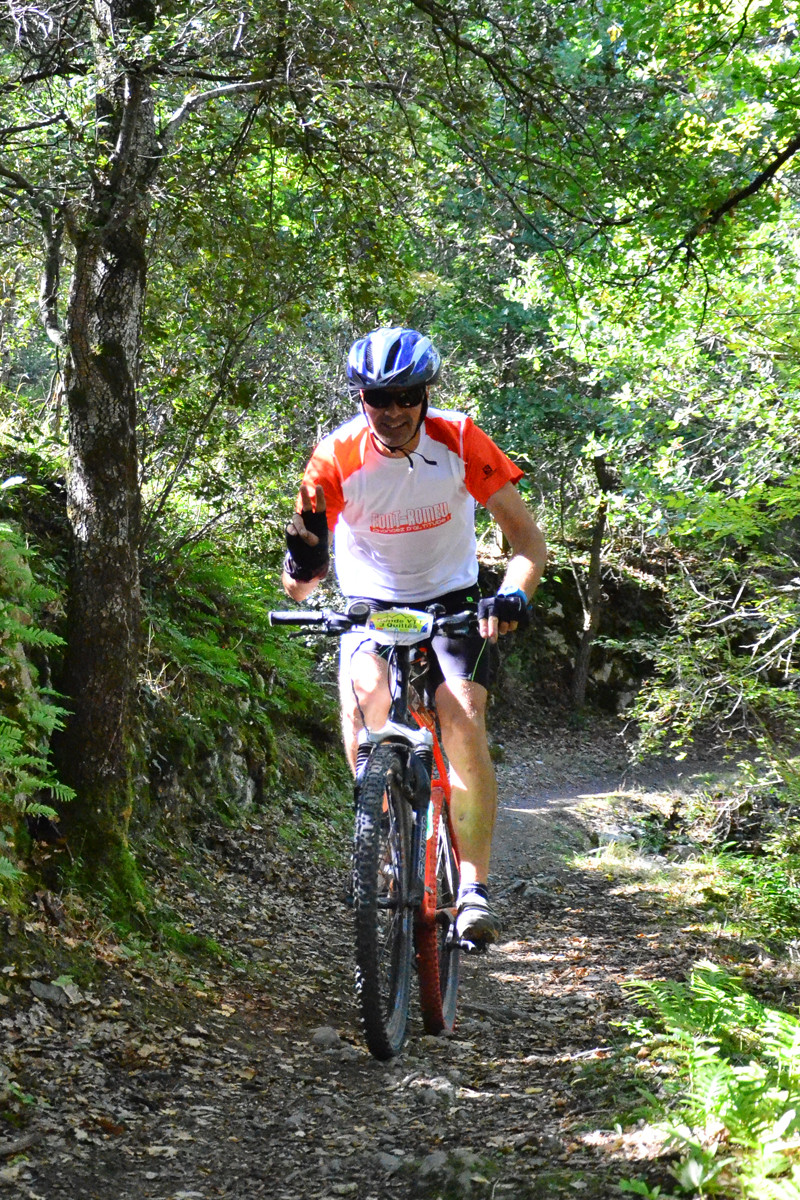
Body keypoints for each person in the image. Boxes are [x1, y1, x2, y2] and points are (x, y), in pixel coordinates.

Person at [282, 327, 546, 945]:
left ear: (426, 394)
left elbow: (528, 543)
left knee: (460, 715)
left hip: (453, 598)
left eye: (408, 396)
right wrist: (300, 566)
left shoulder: (459, 438)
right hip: (371, 604)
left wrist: (511, 594)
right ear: (361, 397)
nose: (394, 410)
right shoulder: (334, 458)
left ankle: (474, 890)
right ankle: (378, 827)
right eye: (380, 397)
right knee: (366, 692)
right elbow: (301, 583)